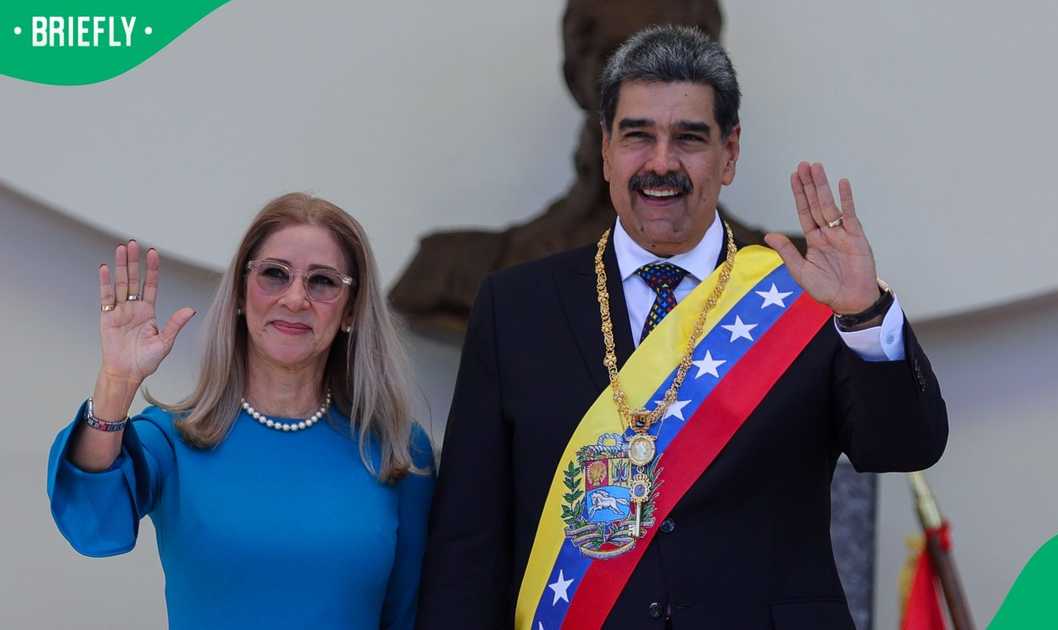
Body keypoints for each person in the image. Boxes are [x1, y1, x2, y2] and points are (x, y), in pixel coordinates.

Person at [417, 25, 947, 630]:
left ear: (730, 152)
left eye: (689, 138)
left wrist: (864, 315)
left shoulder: (804, 292)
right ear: (606, 150)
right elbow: (468, 541)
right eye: (637, 135)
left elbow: (904, 447)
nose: (661, 163)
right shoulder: (515, 306)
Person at [47, 193, 434, 629]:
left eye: (323, 282)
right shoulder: (172, 440)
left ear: (351, 310)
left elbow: (411, 615)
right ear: (239, 294)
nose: (295, 299)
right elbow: (92, 526)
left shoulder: (398, 449)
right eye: (274, 274)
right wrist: (117, 382)